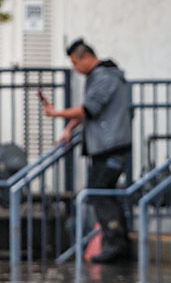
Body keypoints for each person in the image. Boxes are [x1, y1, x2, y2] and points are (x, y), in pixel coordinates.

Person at [43, 38, 133, 263]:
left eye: (75, 63)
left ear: (86, 57)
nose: (75, 69)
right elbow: (89, 112)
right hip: (106, 146)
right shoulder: (102, 76)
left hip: (111, 147)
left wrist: (56, 114)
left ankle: (116, 243)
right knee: (105, 193)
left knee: (98, 194)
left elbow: (89, 109)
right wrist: (70, 128)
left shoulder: (104, 77)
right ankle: (118, 242)